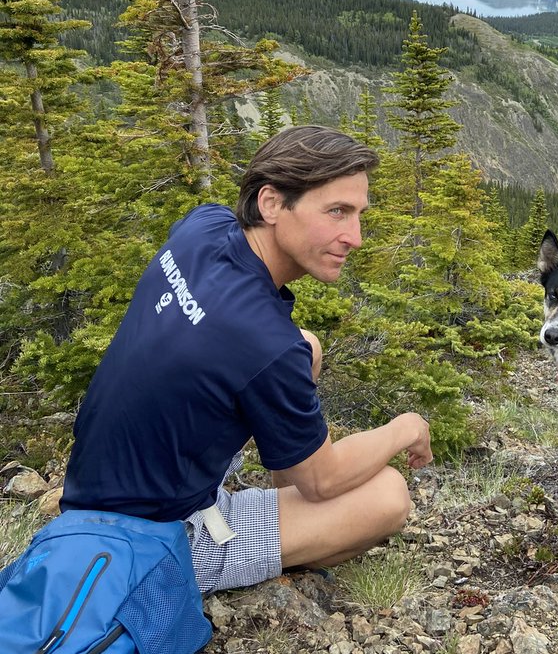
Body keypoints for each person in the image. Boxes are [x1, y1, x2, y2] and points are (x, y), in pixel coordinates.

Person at [61, 125, 432, 594]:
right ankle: (258, 554)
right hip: (150, 539)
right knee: (388, 497)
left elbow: (232, 331)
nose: (354, 237)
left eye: (358, 214)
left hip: (97, 479)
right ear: (272, 203)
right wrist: (407, 427)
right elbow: (324, 480)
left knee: (307, 346)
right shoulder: (262, 343)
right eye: (336, 211)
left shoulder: (203, 226)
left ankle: (280, 501)